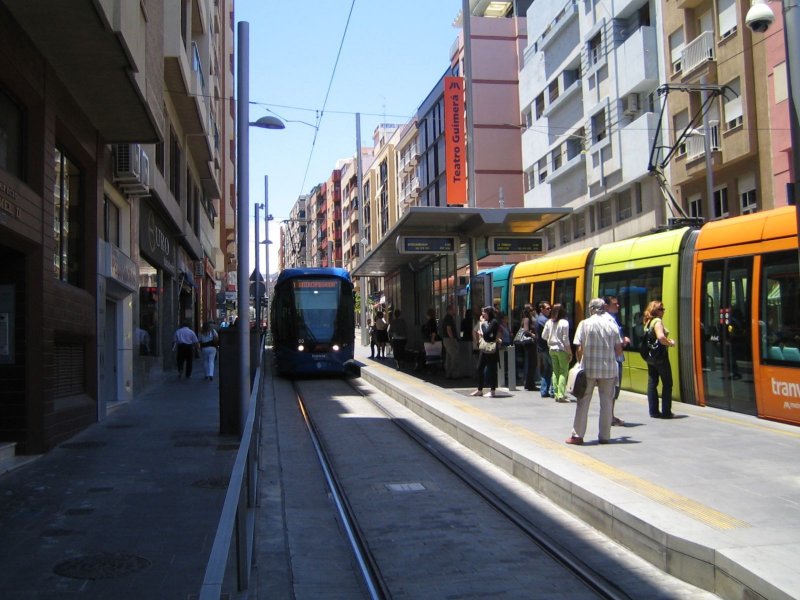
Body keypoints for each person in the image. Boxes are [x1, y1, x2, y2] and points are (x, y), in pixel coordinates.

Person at [565, 298, 623, 445]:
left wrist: (580, 363)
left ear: (591, 309)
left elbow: (579, 348)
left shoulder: (585, 324)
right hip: (609, 370)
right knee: (607, 403)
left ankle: (577, 436)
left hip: (589, 369)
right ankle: (604, 436)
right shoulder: (612, 325)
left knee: (583, 402)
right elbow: (618, 350)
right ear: (604, 308)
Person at [643, 300, 675, 418]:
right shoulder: (657, 321)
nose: (663, 311)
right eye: (661, 309)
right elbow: (661, 337)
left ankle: (654, 411)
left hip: (650, 357)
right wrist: (670, 343)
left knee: (652, 382)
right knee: (667, 383)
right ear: (655, 310)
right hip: (660, 357)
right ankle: (666, 412)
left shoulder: (648, 322)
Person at [603, 295, 630, 426]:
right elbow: (615, 344)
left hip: (613, 359)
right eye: (615, 304)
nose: (618, 306)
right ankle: (610, 417)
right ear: (606, 306)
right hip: (615, 360)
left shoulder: (612, 319)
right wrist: (623, 342)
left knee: (612, 391)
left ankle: (610, 416)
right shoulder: (610, 321)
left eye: (618, 303)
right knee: (613, 390)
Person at [542, 303, 572, 402]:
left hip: (552, 349)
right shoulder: (564, 322)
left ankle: (555, 393)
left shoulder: (549, 322)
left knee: (555, 371)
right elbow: (565, 339)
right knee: (563, 371)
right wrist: (570, 352)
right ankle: (561, 394)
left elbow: (543, 336)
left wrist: (550, 340)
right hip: (562, 350)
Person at [471, 306, 500, 398]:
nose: (482, 314)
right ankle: (479, 389)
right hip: (484, 348)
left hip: (491, 349)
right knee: (479, 367)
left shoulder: (494, 322)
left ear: (489, 313)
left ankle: (492, 390)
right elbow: (484, 332)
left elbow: (487, 333)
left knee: (492, 369)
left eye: (484, 312)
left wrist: (482, 324)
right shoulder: (486, 322)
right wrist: (482, 326)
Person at [535, 301, 554, 397]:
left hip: (543, 348)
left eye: (550, 308)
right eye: (548, 308)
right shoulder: (543, 320)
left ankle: (544, 390)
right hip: (546, 348)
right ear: (541, 309)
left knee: (547, 370)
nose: (550, 310)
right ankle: (552, 391)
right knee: (553, 369)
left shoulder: (543, 319)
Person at [520, 304, 538, 391]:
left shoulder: (526, 318)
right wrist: (533, 334)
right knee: (531, 363)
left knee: (530, 363)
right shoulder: (527, 319)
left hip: (529, 344)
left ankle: (528, 382)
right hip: (530, 344)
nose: (533, 311)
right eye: (531, 310)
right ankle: (529, 383)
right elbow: (526, 330)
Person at [441, 304, 460, 379]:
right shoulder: (449, 318)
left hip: (446, 339)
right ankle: (454, 374)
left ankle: (448, 373)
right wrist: (452, 338)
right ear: (449, 310)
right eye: (453, 309)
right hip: (450, 340)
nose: (455, 311)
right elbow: (449, 329)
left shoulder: (446, 318)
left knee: (448, 357)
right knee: (454, 356)